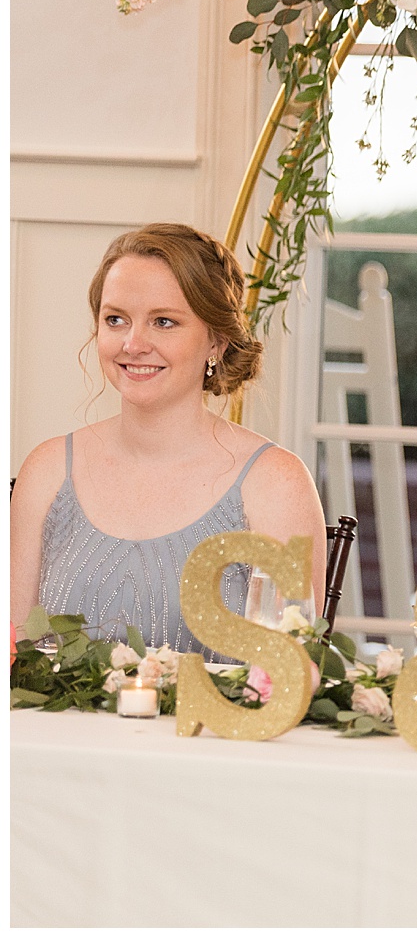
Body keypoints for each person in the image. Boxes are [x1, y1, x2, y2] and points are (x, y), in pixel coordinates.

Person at [10, 223, 327, 655]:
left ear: (216, 339)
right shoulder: (46, 470)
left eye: (164, 322)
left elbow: (288, 675)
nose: (134, 343)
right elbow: (13, 655)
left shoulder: (276, 483)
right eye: (115, 319)